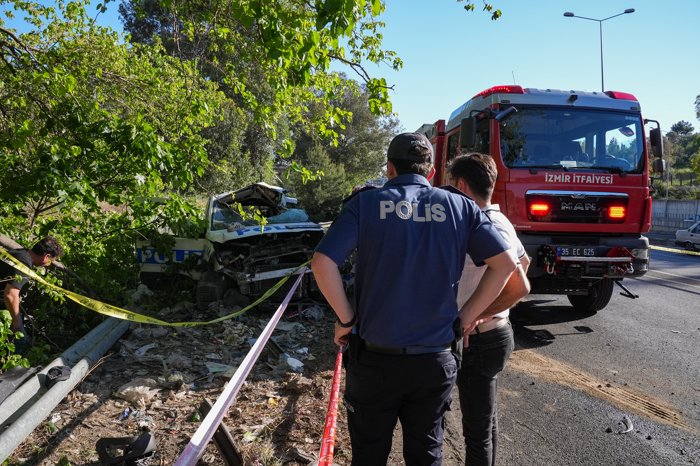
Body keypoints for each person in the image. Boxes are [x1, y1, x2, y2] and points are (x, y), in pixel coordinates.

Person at [311, 133, 518, 466]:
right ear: (431, 171)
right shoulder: (461, 206)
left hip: (374, 361)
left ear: (389, 168)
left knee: (368, 455)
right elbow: (506, 265)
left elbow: (322, 263)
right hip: (434, 361)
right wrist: (466, 318)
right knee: (426, 454)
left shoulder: (365, 203)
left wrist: (346, 319)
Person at [447, 153, 531, 466]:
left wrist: (474, 316)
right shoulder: (500, 219)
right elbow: (525, 262)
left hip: (480, 340)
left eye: (450, 185)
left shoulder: (484, 225)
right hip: (493, 335)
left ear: (461, 186)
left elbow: (520, 285)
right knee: (486, 422)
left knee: (476, 432)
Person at [1, 236, 64, 352]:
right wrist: (16, 322)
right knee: (20, 341)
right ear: (46, 256)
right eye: (51, 261)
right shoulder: (24, 264)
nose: (49, 264)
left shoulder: (19, 253)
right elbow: (10, 295)